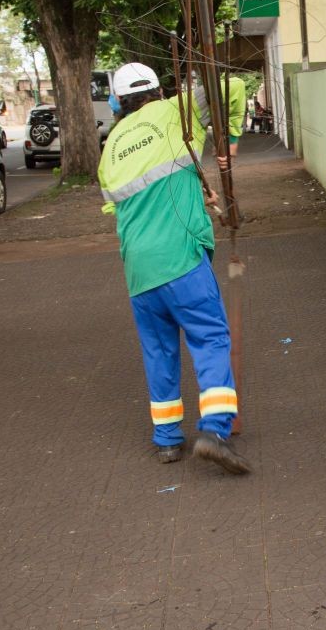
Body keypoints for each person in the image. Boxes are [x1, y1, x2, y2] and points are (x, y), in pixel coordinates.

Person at [97, 62, 251, 474]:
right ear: (157, 90)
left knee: (159, 349)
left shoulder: (110, 146)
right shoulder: (175, 113)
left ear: (119, 101)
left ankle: (167, 440)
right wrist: (228, 138)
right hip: (180, 259)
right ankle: (214, 431)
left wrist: (192, 183)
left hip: (138, 271)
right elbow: (232, 83)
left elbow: (131, 203)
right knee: (211, 338)